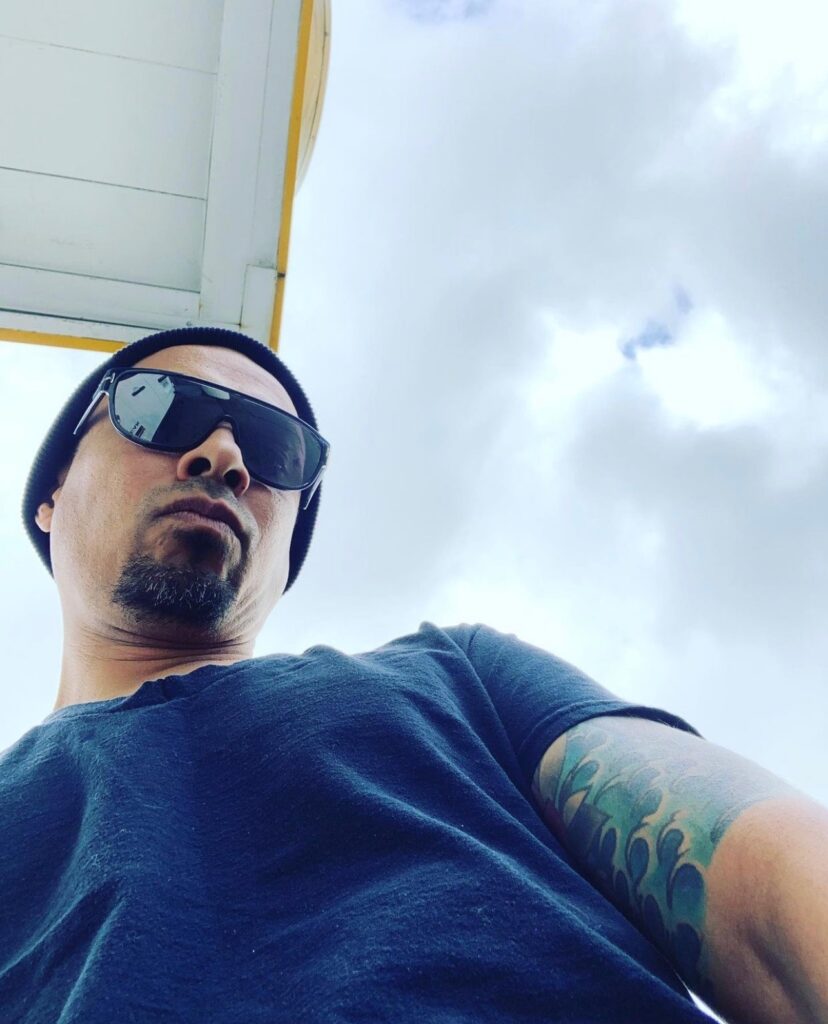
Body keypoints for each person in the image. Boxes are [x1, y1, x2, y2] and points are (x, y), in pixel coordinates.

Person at [1, 326, 825, 1023]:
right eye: (160, 408)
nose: (223, 455)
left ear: (286, 555)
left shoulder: (460, 675)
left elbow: (758, 871)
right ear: (51, 494)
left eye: (277, 449)